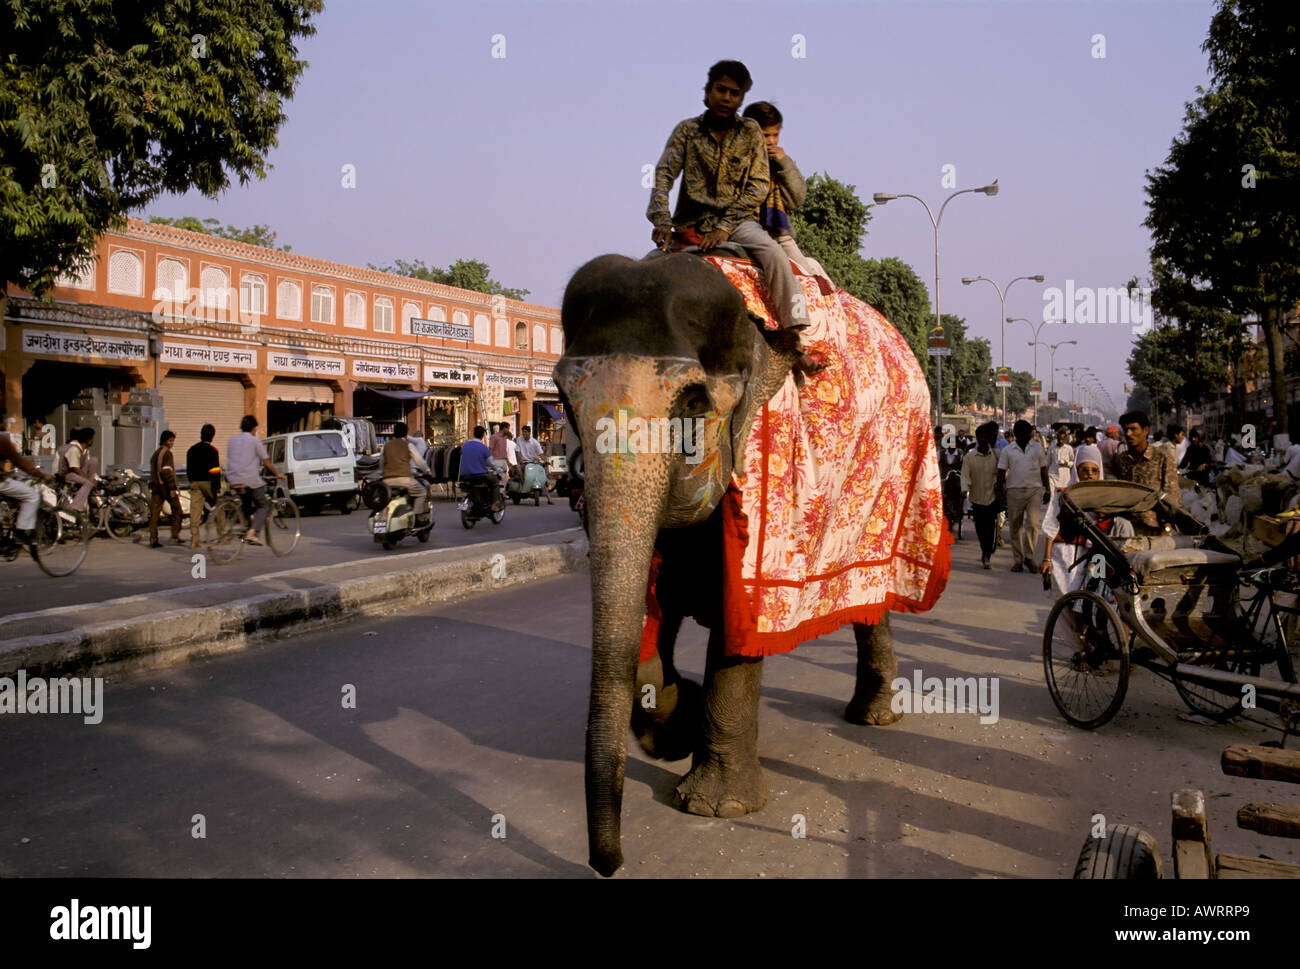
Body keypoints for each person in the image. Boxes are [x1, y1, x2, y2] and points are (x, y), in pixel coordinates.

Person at [646, 61, 812, 338]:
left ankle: (795, 333)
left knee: (774, 256)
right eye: (720, 90)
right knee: (642, 271)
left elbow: (758, 186)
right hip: (690, 223)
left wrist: (724, 227)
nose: (726, 97)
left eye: (734, 93)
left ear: (741, 99)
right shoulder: (686, 131)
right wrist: (662, 220)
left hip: (738, 224)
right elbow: (664, 175)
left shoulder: (750, 133)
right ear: (707, 92)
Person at [739, 101, 830, 282]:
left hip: (778, 236)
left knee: (807, 279)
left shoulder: (778, 165)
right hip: (742, 232)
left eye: (775, 135)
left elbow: (796, 199)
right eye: (766, 135)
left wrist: (785, 164)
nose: (772, 141)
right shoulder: (735, 161)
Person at [1039, 446, 1134, 598]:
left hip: (1097, 556)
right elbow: (1051, 527)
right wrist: (1046, 558)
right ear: (1077, 470)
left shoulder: (1105, 498)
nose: (1089, 475)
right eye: (1085, 470)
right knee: (1066, 603)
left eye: (1094, 470)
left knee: (1093, 600)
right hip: (1065, 555)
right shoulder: (1063, 495)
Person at [1113, 410, 1181, 533]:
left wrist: (1167, 528)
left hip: (1154, 529)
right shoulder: (1121, 459)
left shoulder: (1162, 458)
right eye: (1125, 430)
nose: (1128, 434)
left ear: (1145, 430)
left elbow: (1172, 498)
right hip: (1126, 528)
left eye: (1133, 429)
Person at [996, 419, 1050, 572]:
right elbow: (1001, 471)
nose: (1024, 435)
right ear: (1016, 434)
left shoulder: (1037, 447)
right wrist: (999, 489)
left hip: (1034, 490)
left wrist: (1047, 489)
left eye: (1027, 433)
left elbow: (1043, 469)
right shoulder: (1008, 450)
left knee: (1032, 525)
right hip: (1014, 490)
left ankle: (1029, 557)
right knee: (1015, 526)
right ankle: (1018, 559)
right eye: (1020, 433)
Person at [226, 415, 283, 546]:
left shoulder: (232, 440)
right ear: (253, 428)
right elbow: (266, 461)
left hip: (233, 479)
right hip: (249, 479)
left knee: (246, 502)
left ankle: (246, 526)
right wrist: (277, 474)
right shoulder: (254, 440)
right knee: (263, 505)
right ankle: (251, 534)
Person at [960, 421, 1000, 568]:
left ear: (989, 438)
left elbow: (1003, 473)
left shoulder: (997, 456)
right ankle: (985, 549)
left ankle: (986, 554)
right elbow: (965, 475)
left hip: (992, 498)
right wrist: (965, 489)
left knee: (990, 527)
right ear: (977, 438)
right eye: (980, 437)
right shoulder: (969, 458)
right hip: (976, 498)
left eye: (985, 437)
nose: (982, 439)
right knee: (980, 528)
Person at [0, 433, 53, 542]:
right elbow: (20, 461)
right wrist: (42, 475)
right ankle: (22, 531)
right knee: (32, 496)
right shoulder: (2, 440)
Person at [381, 421, 432, 516]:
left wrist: (382, 475)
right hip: (405, 480)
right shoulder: (408, 445)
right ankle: (415, 516)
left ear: (394, 432)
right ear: (406, 434)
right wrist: (428, 471)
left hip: (387, 482)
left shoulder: (386, 446)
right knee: (422, 493)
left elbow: (381, 463)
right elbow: (419, 461)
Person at [186, 424, 222, 548]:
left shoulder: (191, 449)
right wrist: (217, 489)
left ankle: (194, 539)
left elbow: (188, 470)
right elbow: (215, 471)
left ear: (201, 434)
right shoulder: (213, 450)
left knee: (195, 512)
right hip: (208, 483)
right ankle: (222, 536)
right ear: (212, 436)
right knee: (219, 507)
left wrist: (191, 481)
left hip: (195, 483)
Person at [148, 430, 183, 547]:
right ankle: (175, 536)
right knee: (177, 510)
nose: (172, 443)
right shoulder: (167, 454)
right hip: (165, 487)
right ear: (165, 441)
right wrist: (172, 488)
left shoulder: (156, 453)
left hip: (156, 487)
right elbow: (166, 472)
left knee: (155, 514)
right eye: (170, 440)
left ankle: (153, 539)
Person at [459, 425, 502, 512]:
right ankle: (494, 504)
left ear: (473, 434)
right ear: (482, 436)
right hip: (479, 475)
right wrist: (499, 470)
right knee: (495, 482)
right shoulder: (484, 448)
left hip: (465, 475)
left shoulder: (465, 446)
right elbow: (491, 463)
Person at [58, 426, 98, 512]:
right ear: (88, 440)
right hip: (68, 474)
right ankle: (75, 507)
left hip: (76, 473)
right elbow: (75, 468)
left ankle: (89, 490)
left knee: (94, 460)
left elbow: (86, 465)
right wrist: (89, 482)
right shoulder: (74, 449)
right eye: (92, 439)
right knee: (88, 484)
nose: (93, 441)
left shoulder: (85, 451)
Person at [517, 425, 553, 504]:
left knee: (540, 478)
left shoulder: (535, 442)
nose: (524, 433)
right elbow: (518, 452)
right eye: (523, 432)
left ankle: (549, 499)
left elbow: (541, 454)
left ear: (530, 432)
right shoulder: (519, 440)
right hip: (524, 462)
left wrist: (546, 461)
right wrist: (520, 460)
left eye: (525, 432)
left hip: (534, 462)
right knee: (518, 468)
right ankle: (524, 485)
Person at [1047, 426, 1074, 495]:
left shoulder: (1069, 449)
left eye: (1062, 439)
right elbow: (1048, 462)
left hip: (1064, 477)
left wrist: (1066, 463)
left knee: (1062, 496)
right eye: (1059, 439)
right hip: (1052, 475)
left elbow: (1073, 462)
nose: (1060, 441)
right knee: (1052, 495)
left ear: (1065, 439)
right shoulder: (1052, 448)